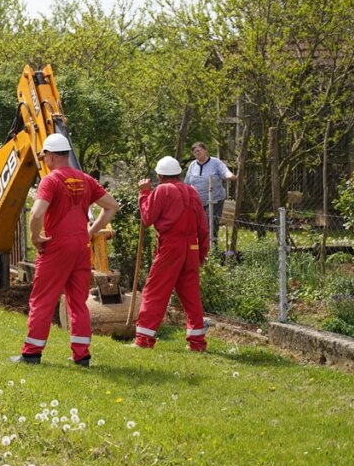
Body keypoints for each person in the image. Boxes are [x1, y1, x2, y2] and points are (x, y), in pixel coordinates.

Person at [12, 133, 119, 367]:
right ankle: (82, 356)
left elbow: (37, 213)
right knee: (77, 302)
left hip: (56, 246)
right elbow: (112, 207)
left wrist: (34, 237)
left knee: (42, 300)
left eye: (44, 157)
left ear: (50, 156)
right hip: (81, 247)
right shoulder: (86, 180)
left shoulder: (50, 180)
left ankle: (31, 354)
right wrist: (91, 231)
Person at [135, 156, 210, 351]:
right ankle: (197, 343)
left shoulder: (162, 190)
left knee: (155, 291)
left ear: (160, 176)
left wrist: (144, 194)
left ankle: (144, 340)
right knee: (191, 296)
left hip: (171, 248)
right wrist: (201, 253)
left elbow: (148, 217)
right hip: (191, 248)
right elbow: (203, 227)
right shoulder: (191, 191)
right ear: (178, 173)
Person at [184, 141, 236, 248]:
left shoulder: (215, 162)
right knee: (197, 225)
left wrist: (231, 176)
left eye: (199, 150)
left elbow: (225, 171)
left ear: (205, 150)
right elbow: (187, 182)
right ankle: (198, 249)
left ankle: (212, 249)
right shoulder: (193, 165)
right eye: (194, 152)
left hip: (215, 199)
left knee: (210, 223)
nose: (197, 153)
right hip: (197, 201)